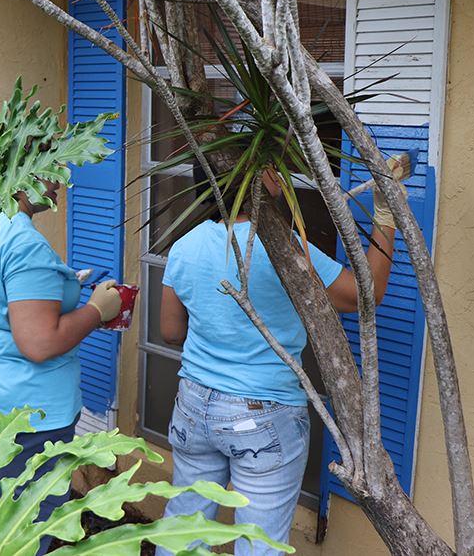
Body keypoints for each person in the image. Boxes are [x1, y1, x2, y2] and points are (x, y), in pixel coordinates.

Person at [155, 165, 399, 556]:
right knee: (259, 545)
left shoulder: (186, 243)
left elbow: (170, 330)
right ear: (256, 181)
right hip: (263, 414)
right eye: (272, 170)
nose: (282, 178)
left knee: (184, 529)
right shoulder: (283, 247)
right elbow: (361, 296)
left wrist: (219, 326)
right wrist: (386, 216)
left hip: (195, 405)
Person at [0, 179, 123, 556]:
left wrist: (57, 284)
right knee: (21, 531)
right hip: (25, 415)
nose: (63, 182)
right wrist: (96, 311)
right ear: (23, 173)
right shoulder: (24, 244)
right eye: (52, 169)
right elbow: (39, 343)